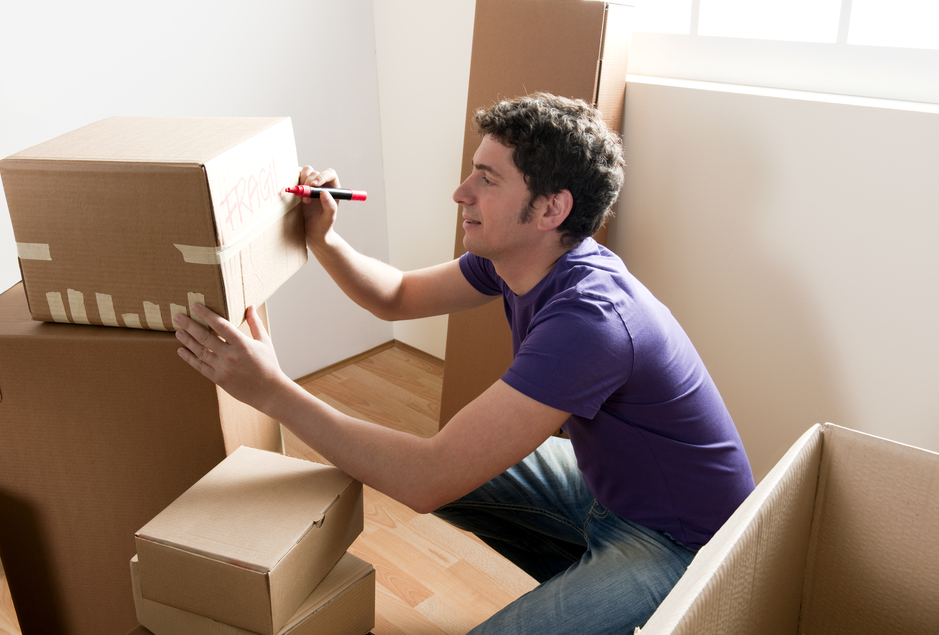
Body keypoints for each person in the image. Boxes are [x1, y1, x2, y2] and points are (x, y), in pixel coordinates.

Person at [174, 92, 755, 635]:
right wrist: (325, 239)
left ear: (552, 208)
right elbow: (396, 294)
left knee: (428, 468)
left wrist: (271, 390)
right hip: (606, 490)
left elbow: (426, 480)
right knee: (416, 457)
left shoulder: (592, 320)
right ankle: (591, 587)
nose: (461, 192)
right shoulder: (518, 259)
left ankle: (644, 608)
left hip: (685, 544)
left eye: (487, 178)